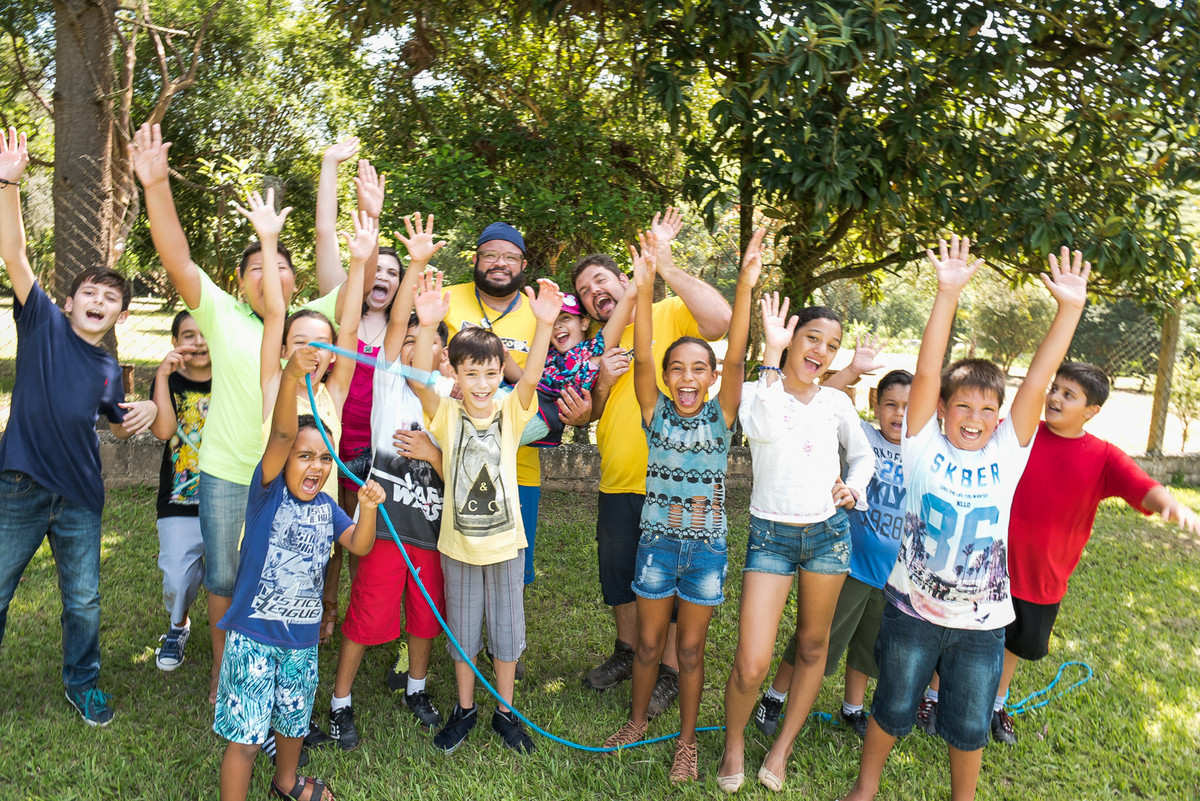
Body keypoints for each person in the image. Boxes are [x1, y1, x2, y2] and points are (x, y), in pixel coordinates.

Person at [838, 236, 1090, 801]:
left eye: (985, 410)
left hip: (981, 624)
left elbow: (1034, 383)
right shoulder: (921, 447)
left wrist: (1069, 309)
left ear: (999, 419)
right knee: (893, 707)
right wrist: (946, 292)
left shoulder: (1008, 452)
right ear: (943, 412)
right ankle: (864, 789)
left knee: (970, 727)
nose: (973, 417)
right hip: (911, 611)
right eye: (962, 407)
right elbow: (928, 373)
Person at [131, 122, 348, 701]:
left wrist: (334, 175)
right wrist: (155, 184)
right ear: (237, 282)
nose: (269, 275)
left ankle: (285, 667)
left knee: (284, 578)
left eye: (278, 267)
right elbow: (175, 255)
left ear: (295, 282)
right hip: (229, 472)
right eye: (256, 268)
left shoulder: (312, 319)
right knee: (225, 578)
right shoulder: (222, 315)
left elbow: (341, 258)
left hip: (299, 476)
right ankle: (224, 670)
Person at [0, 127, 155, 726]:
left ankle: (82, 682)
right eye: (88, 291)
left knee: (84, 602)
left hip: (81, 499)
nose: (97, 299)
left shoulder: (111, 368)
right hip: (19, 485)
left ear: (119, 314)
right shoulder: (41, 321)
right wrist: (9, 182)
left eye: (109, 297)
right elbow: (15, 255)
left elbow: (115, 429)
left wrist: (137, 417)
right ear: (69, 302)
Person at [602, 228, 762, 783]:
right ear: (666, 379)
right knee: (647, 644)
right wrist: (643, 289)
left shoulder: (721, 418)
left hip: (706, 552)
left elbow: (738, 353)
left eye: (700, 369)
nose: (687, 376)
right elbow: (641, 353)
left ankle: (689, 743)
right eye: (678, 369)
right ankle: (639, 720)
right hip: (656, 547)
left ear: (713, 379)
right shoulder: (657, 415)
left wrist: (745, 286)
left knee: (689, 652)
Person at [983, 361, 1200, 745]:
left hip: (1043, 578)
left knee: (1013, 644)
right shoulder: (1021, 433)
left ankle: (995, 705)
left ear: (1091, 411)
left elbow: (1144, 485)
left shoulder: (1103, 457)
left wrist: (1175, 507)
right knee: (965, 631)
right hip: (988, 563)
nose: (1054, 398)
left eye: (1069, 394)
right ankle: (934, 698)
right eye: (1055, 388)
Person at [573, 207, 732, 717]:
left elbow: (722, 320)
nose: (592, 291)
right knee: (622, 576)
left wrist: (662, 266)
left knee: (673, 579)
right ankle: (629, 653)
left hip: (677, 488)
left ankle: (666, 671)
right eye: (584, 291)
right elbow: (591, 411)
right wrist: (599, 384)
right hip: (619, 482)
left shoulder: (669, 313)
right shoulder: (599, 343)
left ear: (624, 277)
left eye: (600, 279)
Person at [717, 297, 875, 793]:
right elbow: (760, 429)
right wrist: (770, 355)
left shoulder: (836, 402)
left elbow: (864, 455)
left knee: (812, 645)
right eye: (813, 339)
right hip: (771, 536)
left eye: (831, 346)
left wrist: (856, 488)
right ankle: (735, 743)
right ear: (791, 337)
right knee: (752, 662)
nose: (821, 352)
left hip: (828, 535)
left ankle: (781, 749)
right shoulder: (755, 390)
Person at [214, 347, 383, 801]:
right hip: (252, 637)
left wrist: (366, 510)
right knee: (246, 740)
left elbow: (360, 545)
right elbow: (285, 431)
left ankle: (286, 784)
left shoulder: (328, 508)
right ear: (284, 459)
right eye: (304, 456)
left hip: (302, 643)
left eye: (325, 459)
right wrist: (291, 376)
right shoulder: (266, 495)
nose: (316, 466)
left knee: (292, 724)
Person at [408, 267, 562, 755]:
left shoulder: (510, 412)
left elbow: (532, 376)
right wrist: (430, 324)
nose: (480, 383)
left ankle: (506, 711)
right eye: (470, 373)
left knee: (506, 631)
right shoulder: (446, 412)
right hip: (457, 546)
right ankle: (466, 707)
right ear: (454, 374)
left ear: (500, 375)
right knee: (462, 633)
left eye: (490, 374)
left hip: (505, 546)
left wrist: (542, 325)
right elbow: (417, 378)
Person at [325, 212, 452, 749]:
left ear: (444, 353)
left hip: (433, 529)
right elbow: (398, 325)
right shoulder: (387, 381)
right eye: (408, 341)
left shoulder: (453, 397)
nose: (414, 349)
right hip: (383, 524)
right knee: (368, 611)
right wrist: (417, 266)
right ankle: (339, 703)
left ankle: (417, 687)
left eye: (431, 341)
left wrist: (433, 450)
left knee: (425, 614)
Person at [753, 363, 912, 739]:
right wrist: (855, 368)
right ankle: (774, 697)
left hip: (889, 573)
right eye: (890, 404)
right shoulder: (862, 435)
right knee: (817, 640)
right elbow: (822, 397)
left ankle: (852, 707)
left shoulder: (920, 452)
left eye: (908, 406)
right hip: (848, 566)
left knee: (867, 646)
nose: (899, 414)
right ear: (875, 404)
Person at [314, 141, 389, 644]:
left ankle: (367, 615)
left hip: (376, 449)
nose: (380, 277)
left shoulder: (400, 324)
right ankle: (326, 609)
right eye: (374, 271)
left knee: (368, 536)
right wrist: (330, 167)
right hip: (331, 440)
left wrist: (375, 215)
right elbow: (329, 237)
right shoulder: (341, 308)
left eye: (392, 273)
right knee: (329, 536)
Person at [147, 310, 213, 672]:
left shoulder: (231, 378)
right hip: (179, 498)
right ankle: (178, 625)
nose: (199, 342)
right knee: (176, 576)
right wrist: (161, 375)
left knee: (228, 574)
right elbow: (163, 430)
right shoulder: (168, 382)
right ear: (175, 344)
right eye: (188, 335)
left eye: (205, 334)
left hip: (225, 495)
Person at [504, 286, 635, 447]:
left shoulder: (592, 352)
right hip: (514, 399)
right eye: (552, 322)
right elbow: (523, 380)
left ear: (584, 323)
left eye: (565, 318)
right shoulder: (548, 354)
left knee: (487, 433)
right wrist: (504, 357)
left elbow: (623, 310)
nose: (557, 326)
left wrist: (637, 283)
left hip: (541, 416)